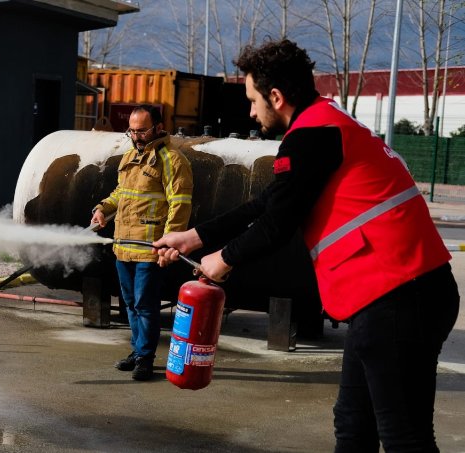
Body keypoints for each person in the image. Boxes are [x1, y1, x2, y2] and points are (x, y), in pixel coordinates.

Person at [153, 39, 459, 451]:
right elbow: (271, 201)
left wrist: (222, 261)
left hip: (399, 298)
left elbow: (277, 223)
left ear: (275, 97)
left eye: (252, 100)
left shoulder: (312, 136)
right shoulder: (326, 122)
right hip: (397, 297)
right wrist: (195, 236)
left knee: (405, 438)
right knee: (353, 425)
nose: (250, 111)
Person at [91, 104, 193, 381]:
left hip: (150, 250)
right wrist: (102, 209)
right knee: (130, 303)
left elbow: (180, 205)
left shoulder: (172, 160)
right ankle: (137, 352)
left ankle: (146, 358)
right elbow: (120, 194)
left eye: (141, 130)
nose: (136, 136)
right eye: (132, 131)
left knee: (145, 306)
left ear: (158, 128)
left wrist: (169, 243)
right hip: (123, 246)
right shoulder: (129, 158)